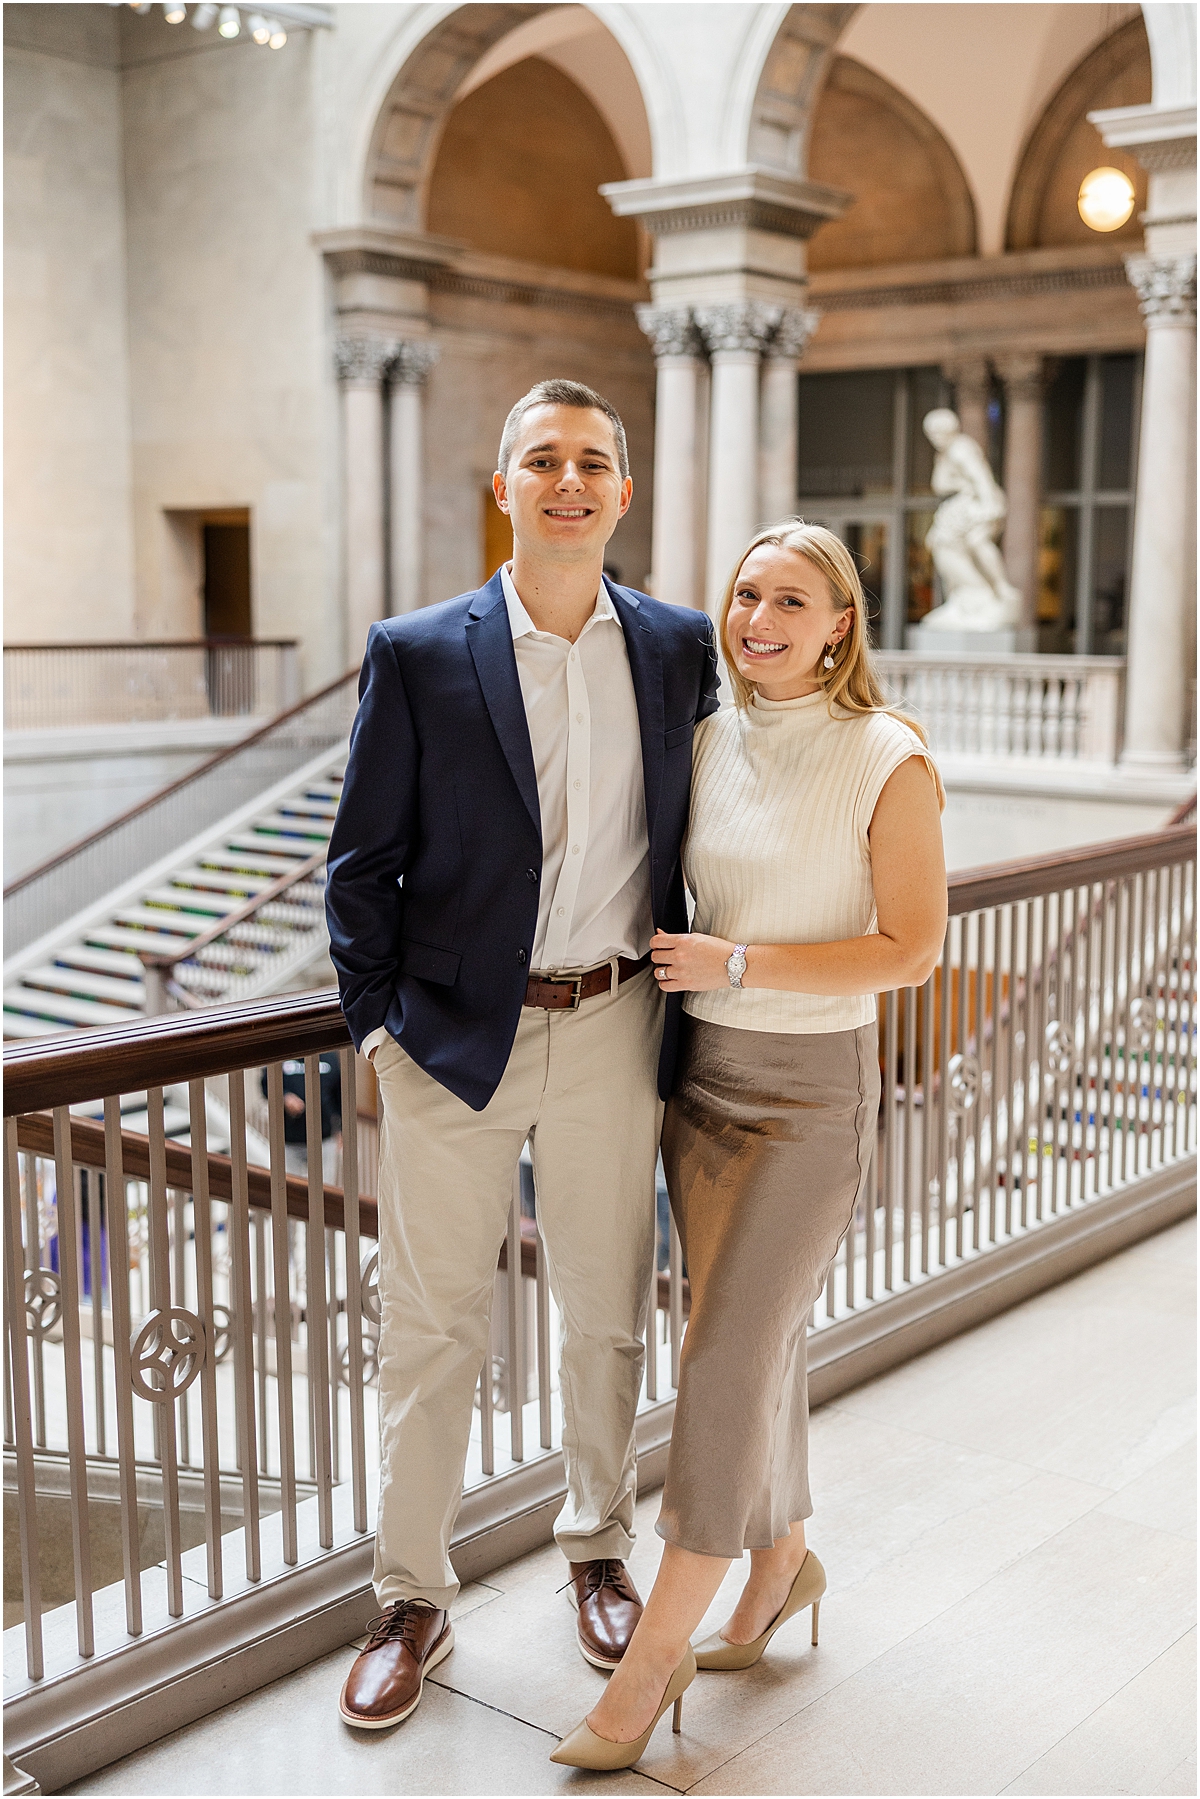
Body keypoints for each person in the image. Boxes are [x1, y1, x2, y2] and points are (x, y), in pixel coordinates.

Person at [324, 378, 719, 1731]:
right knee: (431, 1327)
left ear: (621, 490)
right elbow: (359, 864)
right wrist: (378, 1029)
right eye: (542, 460)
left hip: (616, 1020)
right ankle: (411, 1594)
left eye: (593, 461)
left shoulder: (676, 648)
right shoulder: (421, 649)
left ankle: (598, 1546)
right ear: (505, 488)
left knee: (605, 1303)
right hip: (448, 1038)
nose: (569, 479)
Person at [551, 520, 947, 1770]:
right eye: (743, 594)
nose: (757, 618)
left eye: (792, 600)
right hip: (700, 1084)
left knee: (721, 1362)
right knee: (745, 1335)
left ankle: (651, 1662)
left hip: (809, 1095)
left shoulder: (889, 755)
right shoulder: (710, 742)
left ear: (842, 623)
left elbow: (912, 947)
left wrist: (738, 961)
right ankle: (782, 1556)